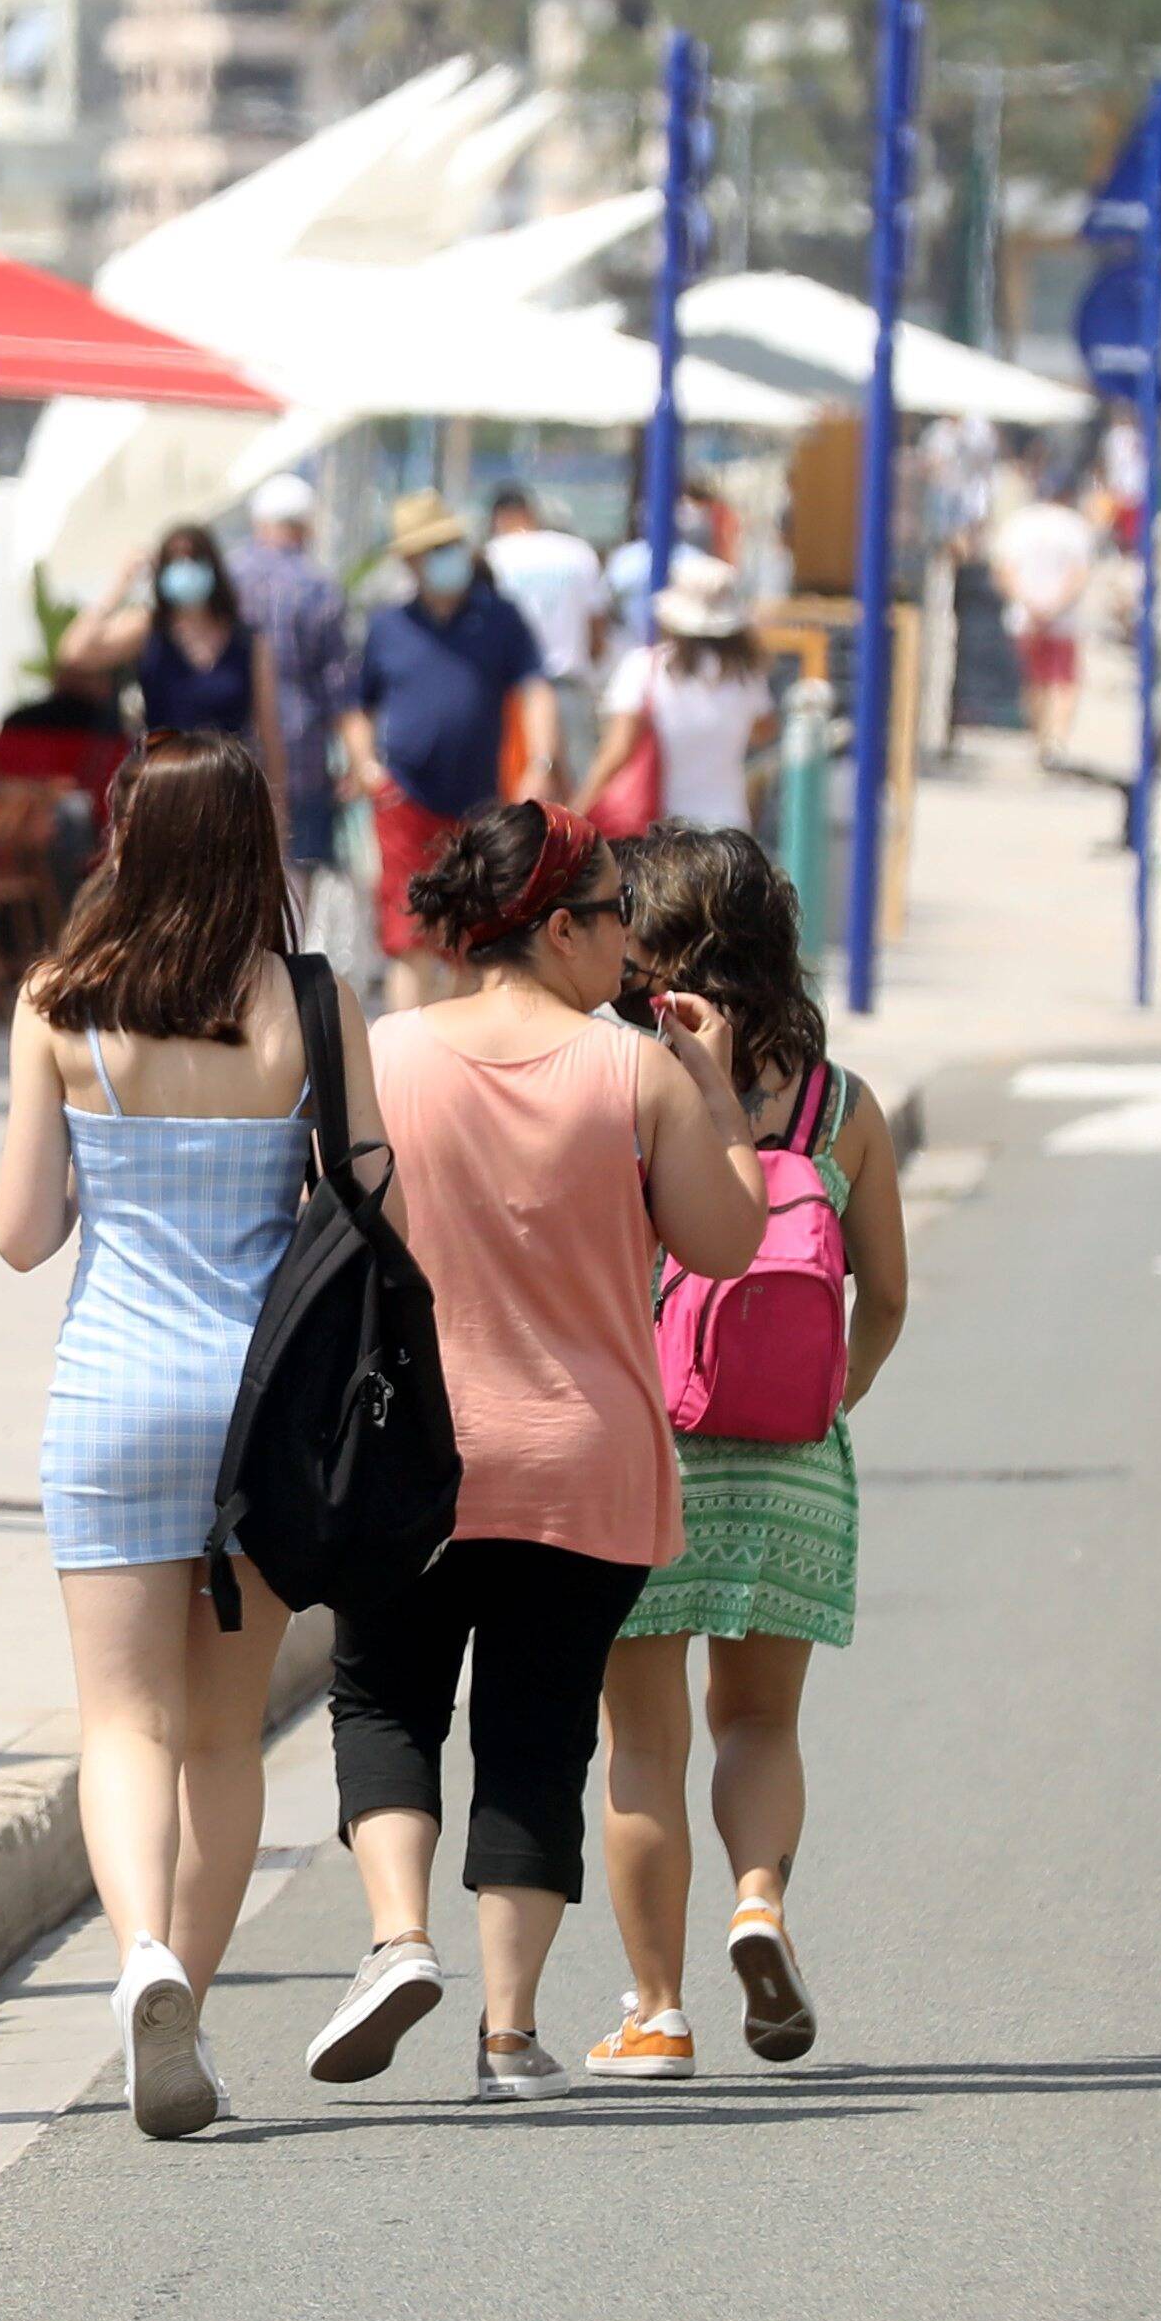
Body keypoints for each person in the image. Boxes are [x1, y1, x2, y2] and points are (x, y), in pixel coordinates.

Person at [312, 800, 767, 2099]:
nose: (630, 946)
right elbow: (724, 1240)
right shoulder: (636, 1072)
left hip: (409, 1455)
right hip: (584, 1460)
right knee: (534, 1732)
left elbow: (326, 1221)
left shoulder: (385, 1053)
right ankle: (507, 2032)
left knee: (383, 1695)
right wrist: (718, 1084)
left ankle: (397, 1936)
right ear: (556, 925)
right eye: (616, 914)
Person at [0, 731, 358, 2139]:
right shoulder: (305, 1004)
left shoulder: (58, 1001)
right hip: (263, 1405)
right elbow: (368, 1195)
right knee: (222, 1732)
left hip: (114, 1390)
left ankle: (137, 1946)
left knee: (120, 1719)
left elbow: (23, 1235)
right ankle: (183, 2007)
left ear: (125, 839)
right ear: (255, 843)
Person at [587, 826, 906, 2083]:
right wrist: (832, 1392)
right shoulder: (842, 1103)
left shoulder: (621, 1080)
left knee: (644, 1743)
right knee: (760, 1721)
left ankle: (656, 2010)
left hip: (647, 1444)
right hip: (792, 1453)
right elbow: (885, 1293)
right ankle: (759, 1899)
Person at [338, 491, 554, 995]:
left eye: (449, 545)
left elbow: (536, 689)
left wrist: (541, 761)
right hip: (405, 800)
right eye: (432, 549)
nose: (445, 556)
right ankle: (404, 1061)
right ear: (410, 561)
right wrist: (369, 768)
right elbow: (355, 708)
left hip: (480, 802)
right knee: (407, 933)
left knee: (473, 937)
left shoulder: (501, 619)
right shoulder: (386, 625)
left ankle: (459, 1056)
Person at [228, 474, 369, 990]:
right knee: (294, 869)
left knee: (230, 862)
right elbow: (340, 690)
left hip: (231, 751)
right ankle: (280, 978)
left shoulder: (228, 576)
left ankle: (231, 970)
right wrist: (358, 760)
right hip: (303, 753)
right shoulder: (319, 587)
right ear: (306, 525)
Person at [58, 520, 277, 769]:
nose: (185, 568)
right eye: (174, 561)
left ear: (212, 566)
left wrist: (277, 800)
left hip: (229, 783)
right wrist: (119, 587)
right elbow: (73, 653)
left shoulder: (246, 639)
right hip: (165, 782)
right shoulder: (146, 628)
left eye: (194, 559)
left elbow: (268, 728)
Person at [590, 551, 776, 833]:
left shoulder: (644, 668)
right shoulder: (746, 676)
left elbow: (617, 750)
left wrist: (578, 805)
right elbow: (764, 731)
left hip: (664, 829)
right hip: (729, 828)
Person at [478, 480, 612, 785]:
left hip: (515, 695)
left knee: (516, 796)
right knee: (579, 791)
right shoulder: (578, 552)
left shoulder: (493, 554)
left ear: (499, 518)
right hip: (569, 684)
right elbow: (598, 631)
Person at [986, 484, 1100, 759]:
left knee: (1032, 679)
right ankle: (1057, 738)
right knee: (1063, 680)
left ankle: (1039, 736)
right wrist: (1054, 606)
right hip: (1063, 617)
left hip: (1025, 616)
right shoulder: (1075, 527)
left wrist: (1028, 603)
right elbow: (1080, 573)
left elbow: (1004, 569)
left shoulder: (1019, 523)